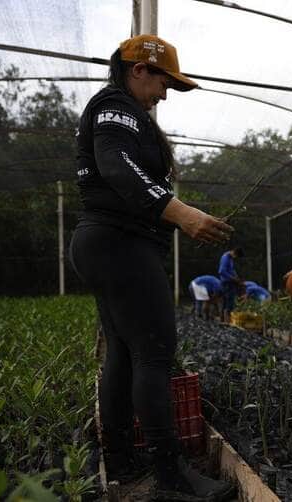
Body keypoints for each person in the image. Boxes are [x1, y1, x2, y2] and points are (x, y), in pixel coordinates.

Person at [69, 35, 235, 500]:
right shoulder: (115, 105)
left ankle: (122, 461)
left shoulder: (123, 111)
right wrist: (183, 214)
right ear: (139, 69)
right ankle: (172, 477)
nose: (165, 93)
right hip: (119, 245)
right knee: (154, 354)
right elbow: (117, 166)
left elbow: (125, 170)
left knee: (124, 354)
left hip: (106, 245)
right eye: (164, 81)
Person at [218, 247, 244, 323]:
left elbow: (231, 270)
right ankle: (227, 322)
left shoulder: (230, 259)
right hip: (227, 283)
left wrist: (237, 277)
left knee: (228, 302)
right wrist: (233, 279)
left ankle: (224, 321)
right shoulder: (225, 257)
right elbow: (221, 271)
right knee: (229, 303)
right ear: (233, 252)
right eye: (236, 255)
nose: (235, 257)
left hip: (230, 283)